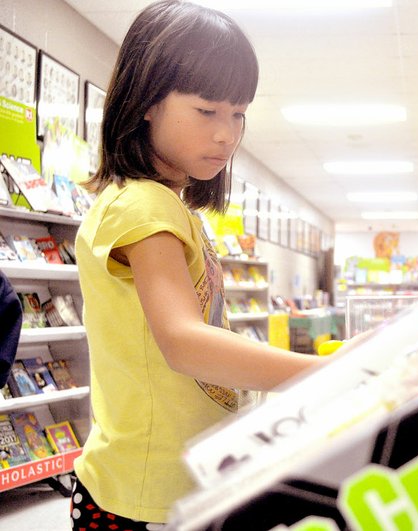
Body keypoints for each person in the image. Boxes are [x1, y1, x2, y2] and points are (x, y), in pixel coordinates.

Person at [72, 1, 323, 528]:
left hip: (178, 484)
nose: (227, 134)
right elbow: (184, 342)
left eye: (238, 114)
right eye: (207, 111)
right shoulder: (144, 204)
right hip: (146, 498)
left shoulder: (169, 207)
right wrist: (322, 375)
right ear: (146, 101)